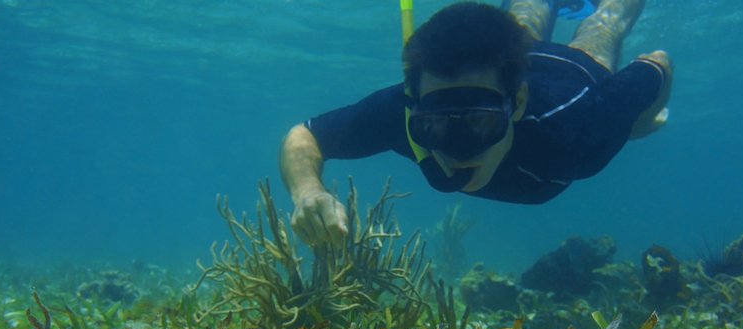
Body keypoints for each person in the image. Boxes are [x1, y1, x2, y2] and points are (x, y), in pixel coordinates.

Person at [280, 0, 672, 247]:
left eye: (480, 124)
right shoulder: (403, 112)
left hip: (575, 71)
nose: (456, 151)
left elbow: (657, 62)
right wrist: (307, 192)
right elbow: (306, 135)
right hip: (507, 66)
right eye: (433, 127)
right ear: (415, 105)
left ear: (516, 106)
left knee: (607, 21)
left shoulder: (579, 126)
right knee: (521, 16)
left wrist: (640, 121)